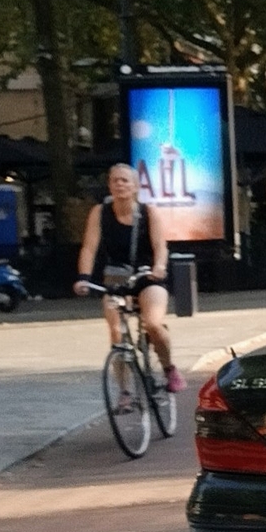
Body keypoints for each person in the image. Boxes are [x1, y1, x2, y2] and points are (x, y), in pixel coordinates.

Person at [73, 163, 183, 393]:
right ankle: (125, 392)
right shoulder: (100, 212)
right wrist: (84, 277)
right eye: (115, 180)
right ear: (109, 185)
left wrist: (159, 266)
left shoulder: (147, 212)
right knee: (116, 333)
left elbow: (160, 246)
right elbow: (89, 248)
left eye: (125, 180)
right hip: (116, 277)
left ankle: (169, 368)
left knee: (153, 324)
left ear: (135, 187)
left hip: (147, 275)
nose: (120, 184)